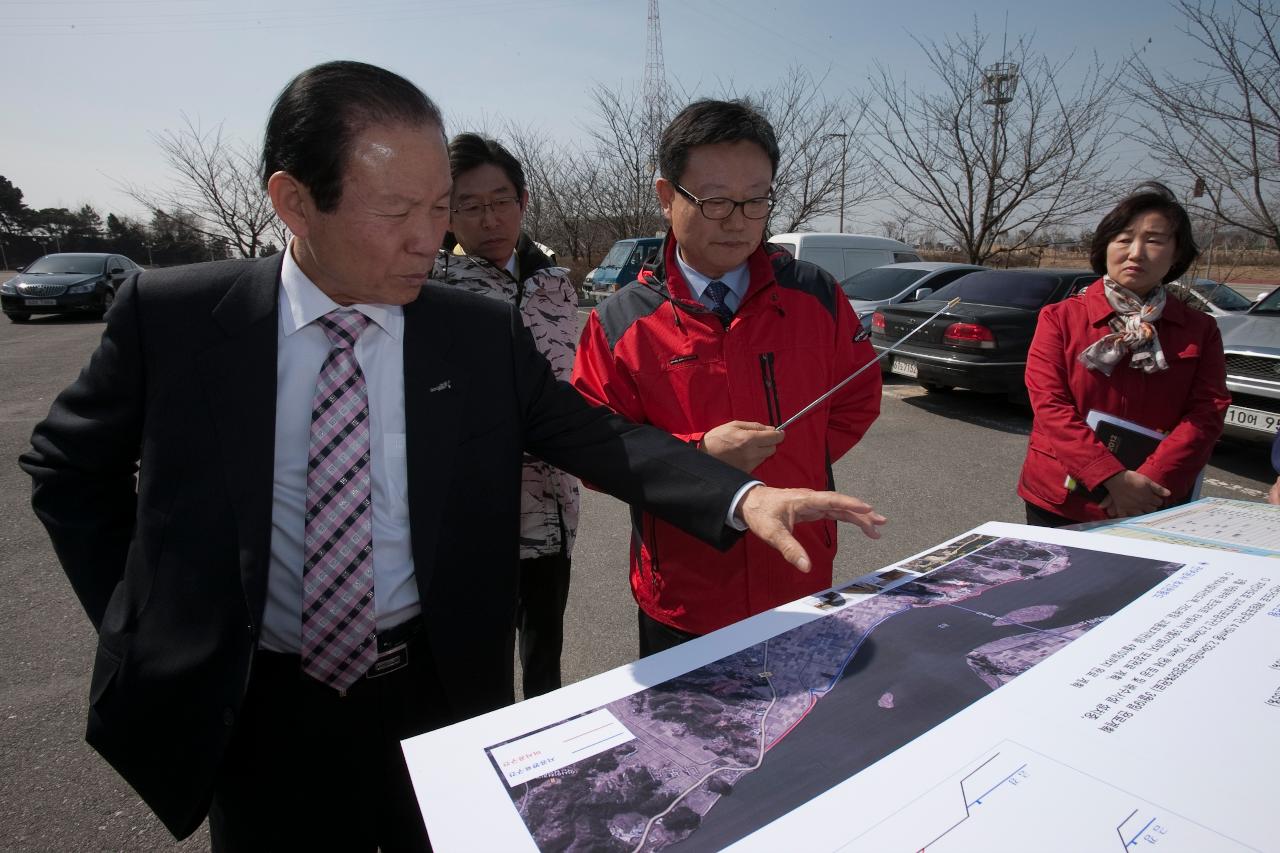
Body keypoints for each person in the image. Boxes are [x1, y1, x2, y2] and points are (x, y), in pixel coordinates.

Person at [19, 62, 887, 852]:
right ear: (293, 201)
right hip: (256, 701)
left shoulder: (471, 330)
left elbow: (595, 434)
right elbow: (68, 470)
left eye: (441, 208)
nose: (432, 238)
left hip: (433, 691)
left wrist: (739, 498)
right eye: (397, 212)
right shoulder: (174, 317)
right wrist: (144, 620)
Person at [571, 99, 882, 657]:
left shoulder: (814, 294)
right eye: (714, 200)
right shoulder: (621, 320)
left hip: (800, 574)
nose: (738, 219)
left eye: (756, 199)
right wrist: (698, 456)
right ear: (668, 198)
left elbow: (856, 399)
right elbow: (597, 453)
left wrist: (794, 454)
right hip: (687, 590)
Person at [430, 132, 578, 698]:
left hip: (553, 507)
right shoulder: (431, 292)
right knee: (476, 668)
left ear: (522, 201)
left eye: (501, 200)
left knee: (546, 659)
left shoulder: (556, 287)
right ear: (446, 214)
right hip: (470, 515)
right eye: (469, 204)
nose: (489, 217)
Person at [1018, 182, 1230, 526]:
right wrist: (1109, 477)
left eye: (1154, 240)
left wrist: (1151, 479)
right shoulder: (1059, 318)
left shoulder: (1199, 329)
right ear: (1105, 247)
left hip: (1153, 497)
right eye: (1124, 238)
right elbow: (1050, 404)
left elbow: (1208, 411)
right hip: (1062, 497)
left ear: (1177, 254)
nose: (1135, 252)